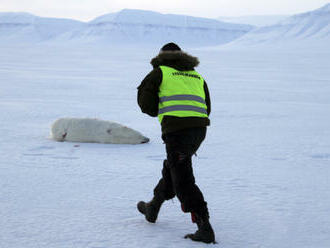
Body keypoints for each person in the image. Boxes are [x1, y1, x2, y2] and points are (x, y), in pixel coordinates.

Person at [136, 42, 215, 244]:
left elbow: (147, 107)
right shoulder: (196, 75)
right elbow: (207, 106)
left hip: (177, 130)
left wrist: (163, 108)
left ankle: (204, 226)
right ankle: (153, 206)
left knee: (183, 178)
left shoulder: (160, 72)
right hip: (198, 131)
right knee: (174, 167)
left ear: (161, 57)